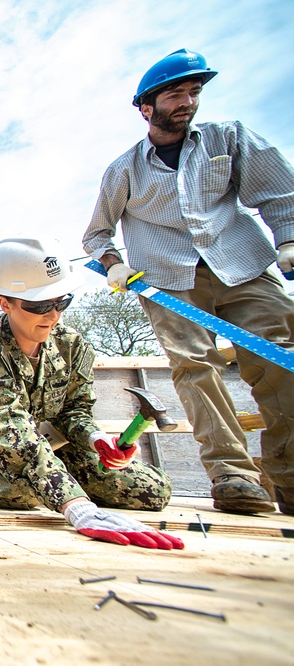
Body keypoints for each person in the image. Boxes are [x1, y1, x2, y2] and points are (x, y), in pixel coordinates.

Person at [82, 48, 294, 516]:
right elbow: (96, 234)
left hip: (241, 265)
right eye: (175, 93)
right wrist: (113, 262)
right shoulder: (124, 170)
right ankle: (232, 474)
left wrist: (290, 240)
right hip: (167, 282)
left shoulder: (229, 139)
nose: (187, 101)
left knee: (279, 360)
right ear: (146, 107)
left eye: (193, 92)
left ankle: (290, 477)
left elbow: (281, 195)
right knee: (195, 367)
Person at [0, 237, 184, 550]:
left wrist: (96, 439)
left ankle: (57, 481)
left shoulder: (71, 345)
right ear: (5, 302)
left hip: (46, 443)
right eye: (38, 305)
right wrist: (77, 507)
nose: (52, 315)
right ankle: (60, 486)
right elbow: (8, 433)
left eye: (60, 302)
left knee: (151, 491)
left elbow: (74, 412)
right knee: (17, 491)